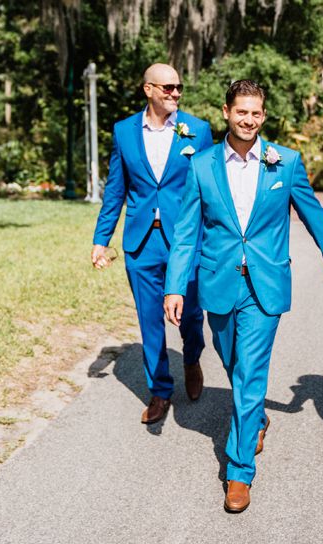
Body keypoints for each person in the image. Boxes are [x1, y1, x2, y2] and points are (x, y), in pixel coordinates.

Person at [163, 80, 323, 513]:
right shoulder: (202, 163)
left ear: (263, 116)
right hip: (218, 282)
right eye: (241, 112)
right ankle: (256, 420)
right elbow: (185, 232)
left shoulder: (285, 162)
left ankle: (239, 470)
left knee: (250, 372)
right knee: (231, 362)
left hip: (265, 285)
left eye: (256, 113)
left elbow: (313, 214)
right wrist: (175, 286)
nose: (249, 120)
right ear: (226, 111)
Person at [92, 63, 213, 424]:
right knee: (149, 319)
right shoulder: (124, 131)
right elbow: (115, 190)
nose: (175, 93)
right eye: (167, 88)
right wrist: (101, 240)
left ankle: (191, 359)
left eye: (178, 87)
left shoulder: (199, 130)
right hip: (141, 241)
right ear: (148, 90)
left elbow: (211, 187)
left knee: (191, 313)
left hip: (186, 240)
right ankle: (160, 390)